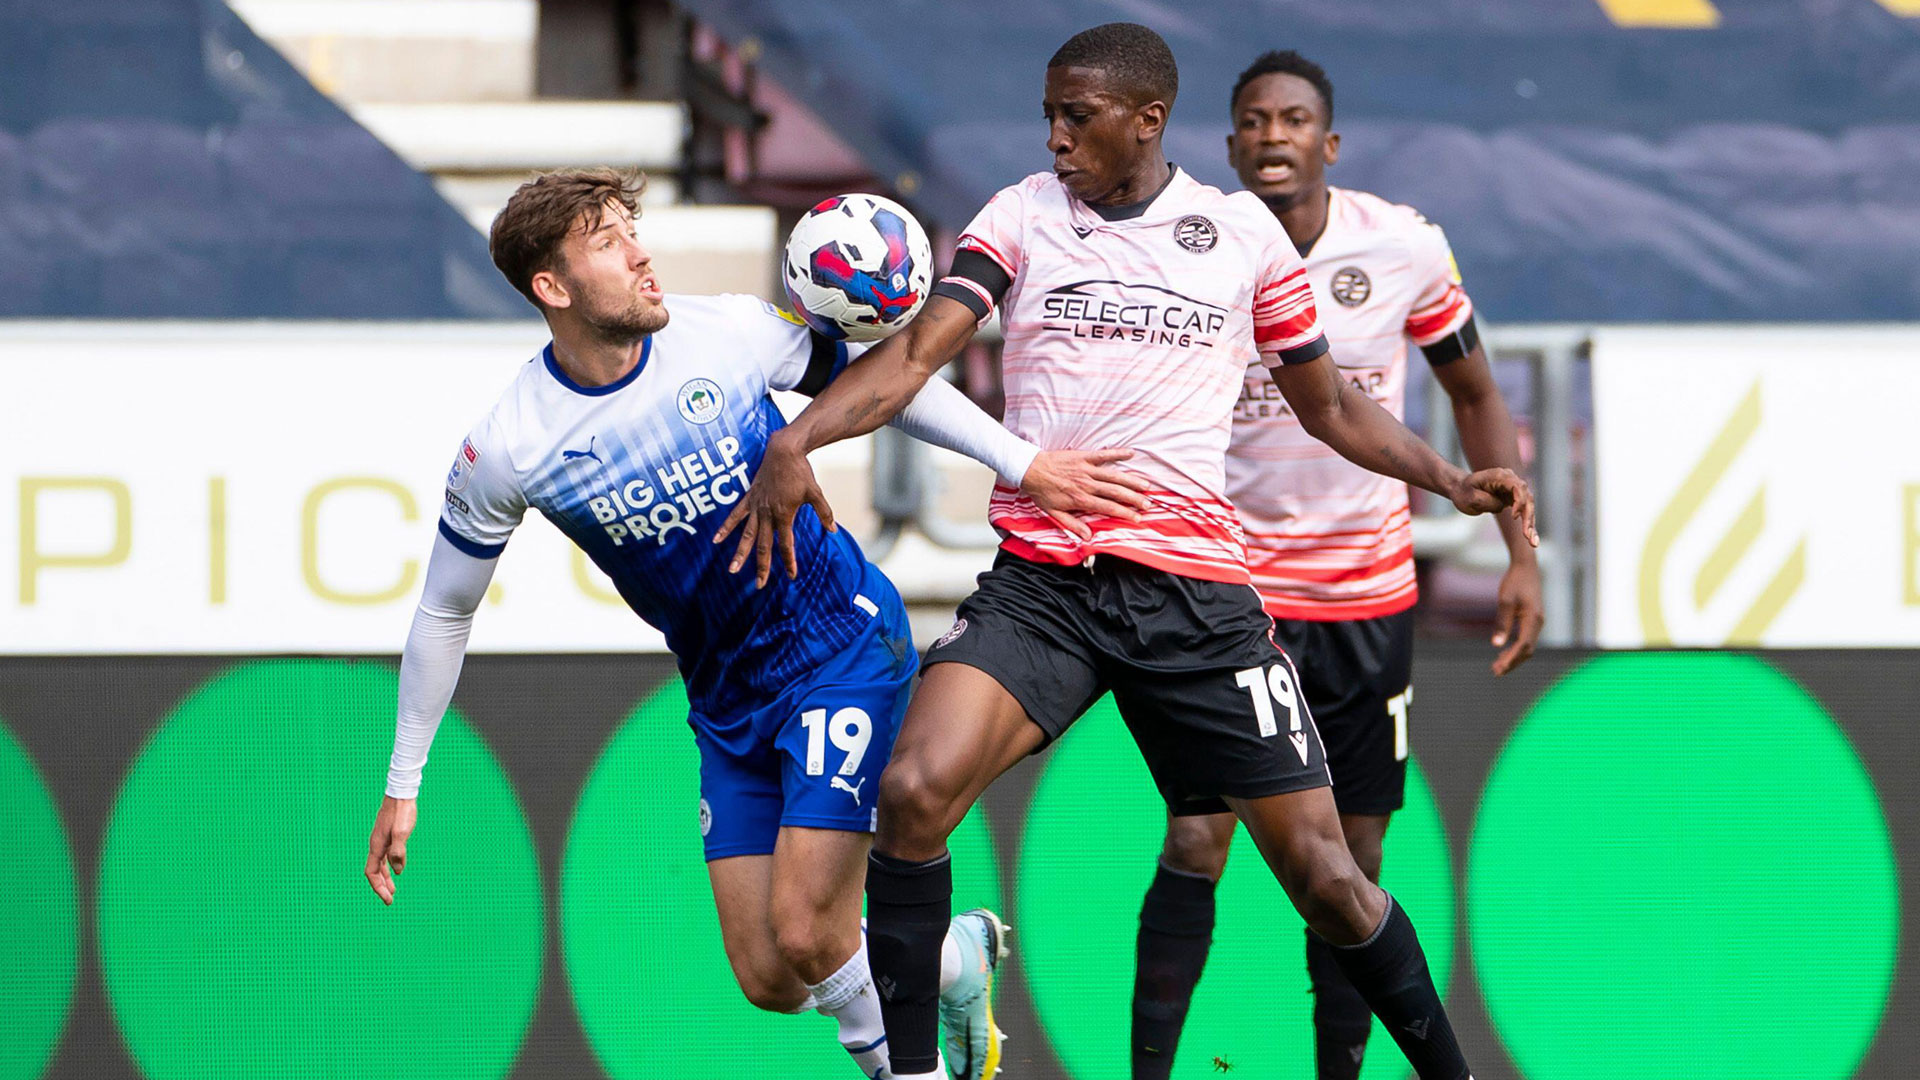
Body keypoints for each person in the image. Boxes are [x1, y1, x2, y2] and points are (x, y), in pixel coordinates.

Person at [717, 23, 1534, 1080]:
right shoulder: (1019, 217)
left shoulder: (1240, 236)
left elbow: (1332, 407)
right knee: (913, 792)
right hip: (1045, 590)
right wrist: (801, 435)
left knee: (1329, 878)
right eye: (1049, 114)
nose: (1056, 137)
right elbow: (918, 352)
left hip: (1195, 601)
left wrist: (1451, 481)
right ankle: (915, 1073)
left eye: (1078, 116)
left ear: (1147, 119)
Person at [360, 167, 1150, 1080]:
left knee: (810, 931)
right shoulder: (510, 446)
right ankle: (953, 956)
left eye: (634, 228)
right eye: (610, 242)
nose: (642, 252)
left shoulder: (725, 334)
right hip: (729, 699)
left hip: (839, 649)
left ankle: (916, 1071)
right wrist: (403, 780)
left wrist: (1026, 463)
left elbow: (889, 380)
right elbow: (444, 611)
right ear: (553, 287)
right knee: (771, 975)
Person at [1128, 50, 1544, 1080]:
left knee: (1353, 865)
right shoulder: (1196, 246)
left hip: (1365, 602)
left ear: (1329, 142)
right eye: (1255, 123)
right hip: (1231, 604)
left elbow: (1477, 393)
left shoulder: (1401, 246)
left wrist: (1522, 554)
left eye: (1294, 120)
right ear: (1229, 147)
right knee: (1196, 844)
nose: (1274, 137)